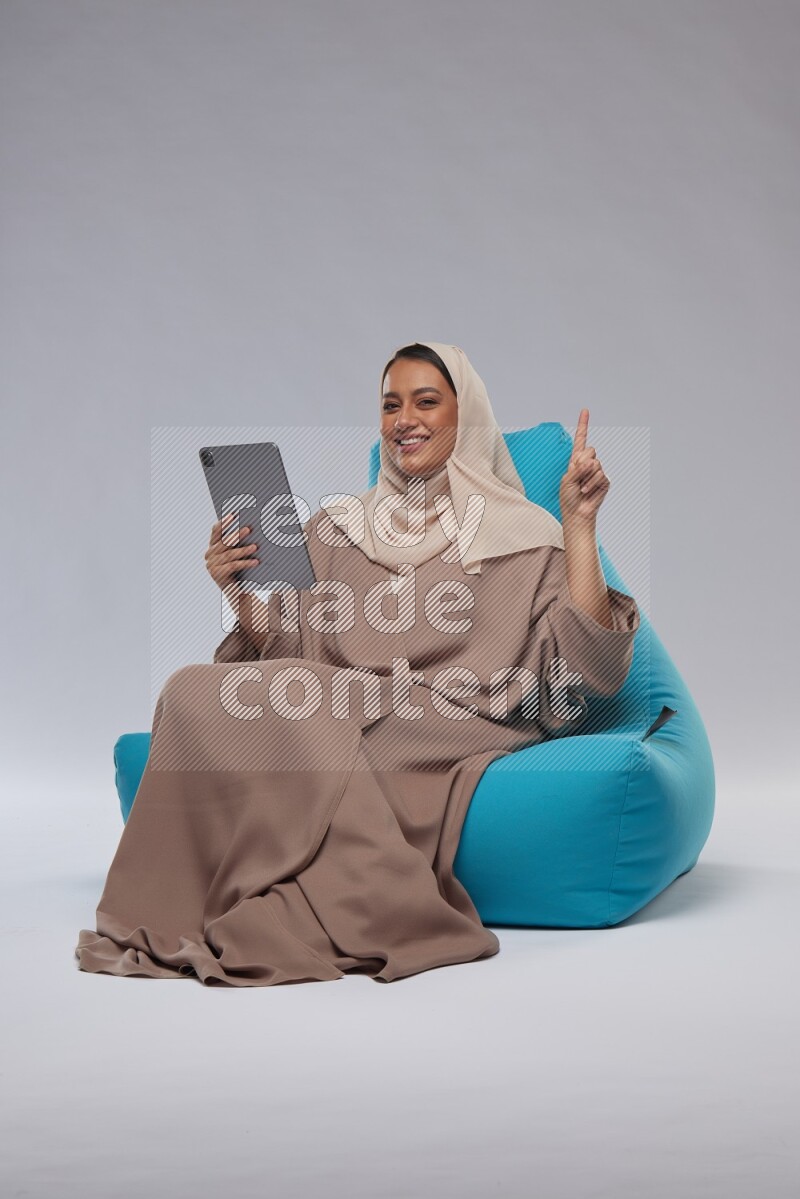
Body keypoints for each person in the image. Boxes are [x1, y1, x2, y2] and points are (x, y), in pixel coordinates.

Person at [74, 340, 640, 986]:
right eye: (391, 405)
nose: (405, 419)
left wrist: (579, 525)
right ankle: (169, 896)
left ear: (467, 416)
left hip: (452, 718)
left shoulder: (526, 535)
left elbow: (590, 669)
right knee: (190, 689)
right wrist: (236, 591)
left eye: (427, 401)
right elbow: (288, 648)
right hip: (333, 708)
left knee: (302, 699)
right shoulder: (338, 528)